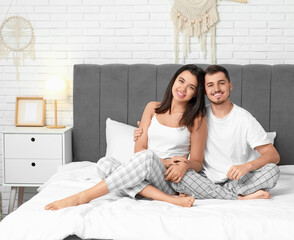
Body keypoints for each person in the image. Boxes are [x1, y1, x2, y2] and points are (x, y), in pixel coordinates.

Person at [45, 64, 207, 210]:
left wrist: (183, 166)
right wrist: (161, 160)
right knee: (104, 164)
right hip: (144, 168)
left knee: (147, 157)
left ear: (195, 94)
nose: (183, 88)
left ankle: (83, 197)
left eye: (191, 87)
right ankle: (168, 199)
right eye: (181, 81)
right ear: (173, 81)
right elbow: (139, 150)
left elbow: (197, 163)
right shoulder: (152, 108)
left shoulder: (196, 118)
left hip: (167, 178)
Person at [134, 65, 280, 200]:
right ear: (204, 91)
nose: (216, 89)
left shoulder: (244, 119)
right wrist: (141, 131)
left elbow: (273, 155)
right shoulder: (196, 115)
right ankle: (239, 197)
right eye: (210, 85)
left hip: (237, 178)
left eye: (221, 83)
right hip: (203, 178)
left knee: (272, 171)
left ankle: (219, 193)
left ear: (230, 86)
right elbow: (168, 134)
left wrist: (247, 166)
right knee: (180, 177)